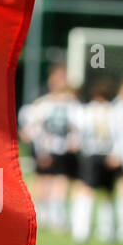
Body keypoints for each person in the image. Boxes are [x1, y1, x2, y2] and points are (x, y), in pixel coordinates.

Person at [70, 80, 123, 245]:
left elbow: (77, 132)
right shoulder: (115, 113)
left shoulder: (85, 112)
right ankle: (107, 232)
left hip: (91, 155)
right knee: (108, 194)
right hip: (109, 156)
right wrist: (121, 156)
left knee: (87, 191)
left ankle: (81, 231)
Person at [19, 65, 81, 231]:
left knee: (61, 179)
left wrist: (74, 140)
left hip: (63, 149)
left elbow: (78, 126)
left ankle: (57, 215)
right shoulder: (43, 102)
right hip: (45, 148)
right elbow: (31, 126)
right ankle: (40, 214)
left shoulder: (72, 103)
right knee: (42, 180)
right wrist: (39, 147)